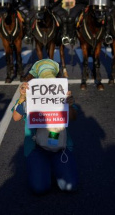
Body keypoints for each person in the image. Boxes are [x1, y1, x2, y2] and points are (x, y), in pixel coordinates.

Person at [12, 59, 78, 194]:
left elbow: (73, 117)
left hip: (61, 147)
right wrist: (22, 97)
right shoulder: (30, 94)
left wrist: (69, 105)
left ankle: (54, 167)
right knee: (40, 188)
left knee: (70, 186)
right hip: (37, 148)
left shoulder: (63, 93)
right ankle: (42, 166)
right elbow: (16, 117)